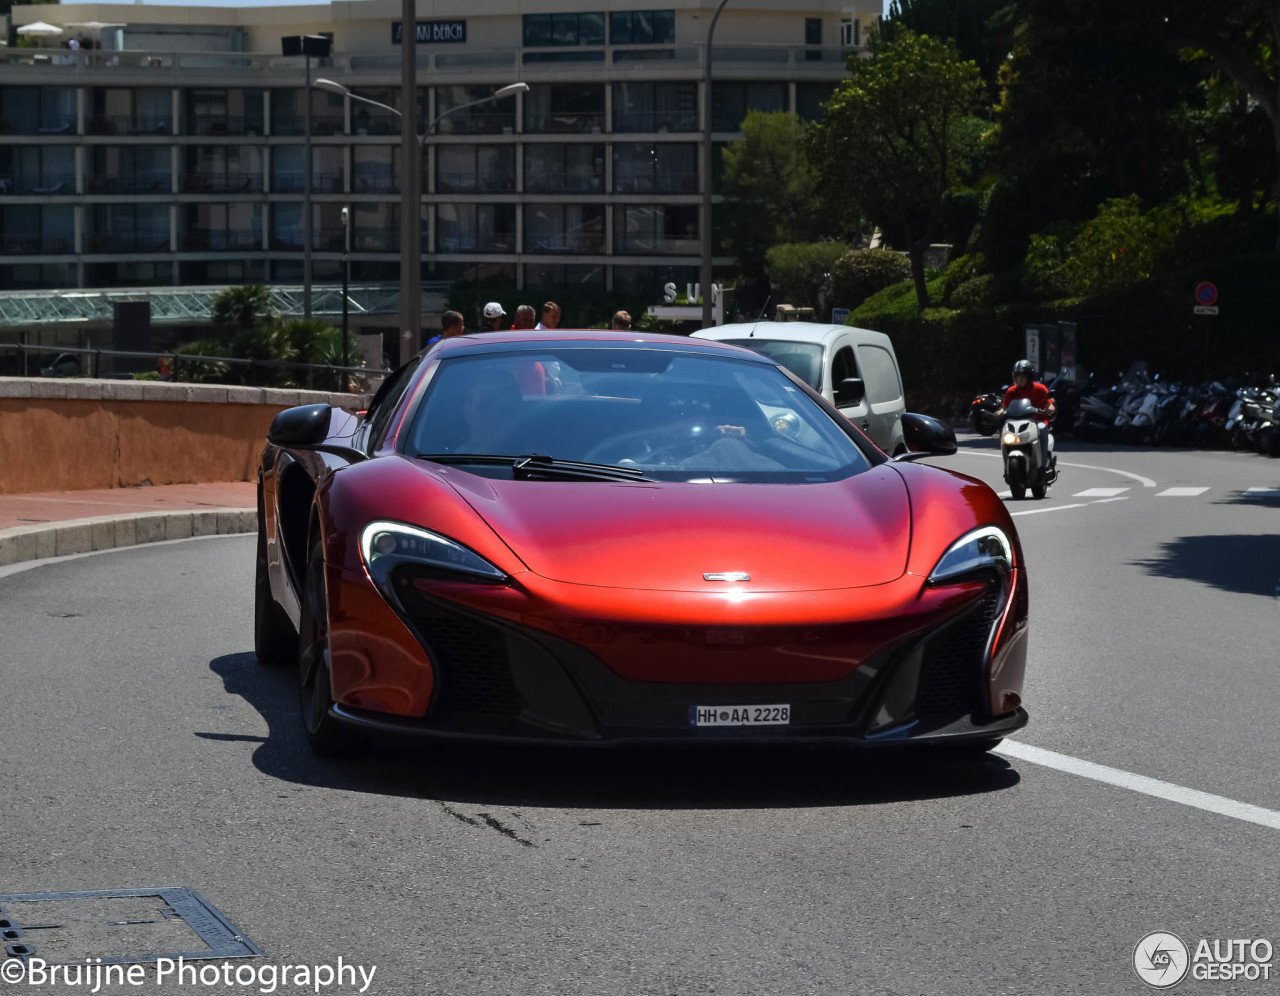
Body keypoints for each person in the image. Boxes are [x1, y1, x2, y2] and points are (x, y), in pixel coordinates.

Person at [1000, 359, 1056, 468]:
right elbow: (1005, 408)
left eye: (1023, 375)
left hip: (1037, 420)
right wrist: (996, 413)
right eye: (1018, 375)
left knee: (1042, 428)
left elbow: (1049, 404)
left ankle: (1043, 465)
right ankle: (1006, 465)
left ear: (1029, 376)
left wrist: (1050, 409)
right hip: (1015, 421)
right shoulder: (1011, 391)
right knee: (1005, 432)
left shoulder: (1040, 389)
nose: (1020, 378)